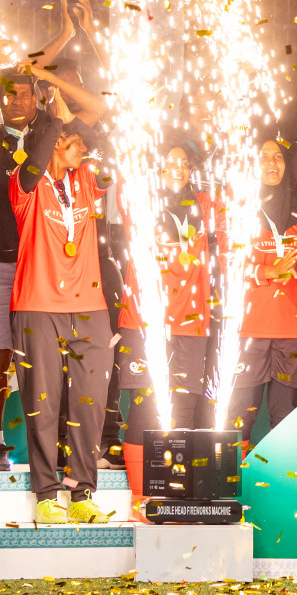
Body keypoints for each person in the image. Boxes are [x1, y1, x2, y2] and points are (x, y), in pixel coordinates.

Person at [0, 4, 98, 472]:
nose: (18, 100)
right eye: (10, 95)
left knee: (49, 365)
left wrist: (62, 39)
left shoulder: (49, 133)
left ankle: (58, 443)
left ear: (36, 99)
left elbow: (82, 105)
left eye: (25, 94)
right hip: (3, 265)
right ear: (1, 101)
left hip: (48, 270)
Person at [9, 95, 113, 523]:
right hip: (38, 305)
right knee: (44, 404)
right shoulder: (25, 183)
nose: (83, 147)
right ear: (53, 142)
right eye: (73, 140)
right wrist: (55, 120)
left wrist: (74, 124)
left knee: (89, 404)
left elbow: (108, 151)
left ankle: (82, 491)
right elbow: (36, 162)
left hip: (90, 308)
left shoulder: (86, 178)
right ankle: (47, 494)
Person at [115, 139, 221, 507]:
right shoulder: (141, 203)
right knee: (145, 408)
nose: (177, 167)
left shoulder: (204, 205)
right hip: (146, 321)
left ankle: (175, 491)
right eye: (169, 161)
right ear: (157, 169)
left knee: (184, 409)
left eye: (184, 162)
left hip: (191, 323)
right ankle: (140, 497)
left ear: (192, 171)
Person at [227, 136, 297, 434]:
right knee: (239, 417)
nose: (271, 162)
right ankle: (235, 467)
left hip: (293, 328)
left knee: (285, 418)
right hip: (248, 328)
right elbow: (228, 262)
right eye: (263, 156)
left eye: (278, 157)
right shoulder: (240, 207)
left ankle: (279, 468)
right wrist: (269, 271)